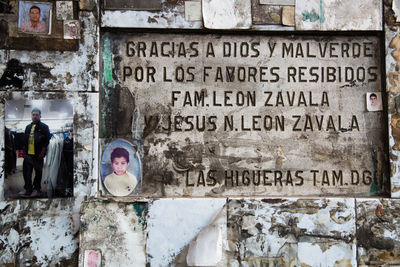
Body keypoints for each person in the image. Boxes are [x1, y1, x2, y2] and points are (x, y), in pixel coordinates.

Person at [20, 108, 50, 197]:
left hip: (38, 155)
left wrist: (42, 152)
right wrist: (24, 153)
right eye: (33, 115)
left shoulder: (44, 127)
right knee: (26, 173)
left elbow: (46, 141)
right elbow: (25, 140)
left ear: (40, 116)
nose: (35, 116)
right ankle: (28, 189)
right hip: (28, 155)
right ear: (31, 116)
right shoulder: (28, 127)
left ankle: (37, 189)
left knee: (38, 173)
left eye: (37, 115)